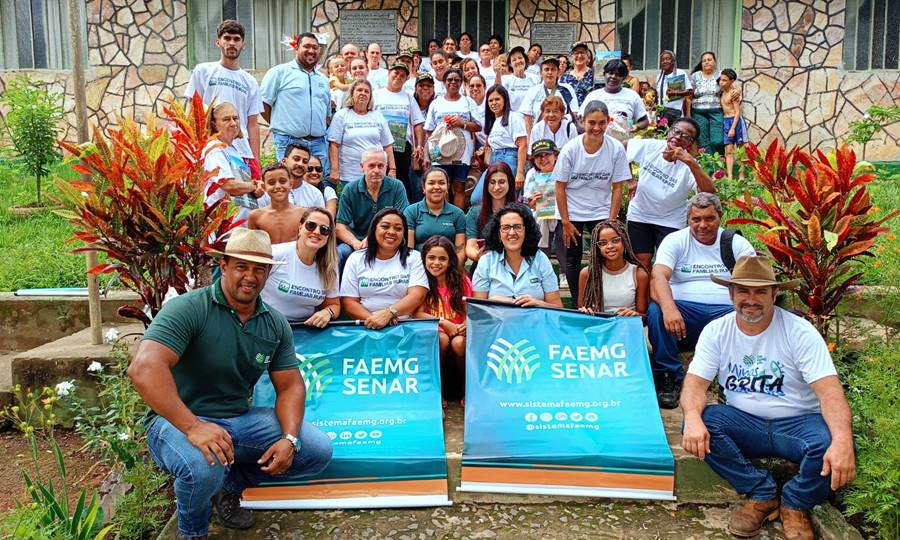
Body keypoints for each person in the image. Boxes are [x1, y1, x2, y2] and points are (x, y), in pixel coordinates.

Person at [128, 228, 333, 539]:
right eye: (241, 266)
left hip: (237, 420)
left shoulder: (274, 323)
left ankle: (229, 485)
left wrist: (289, 438)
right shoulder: (189, 308)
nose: (249, 277)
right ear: (223, 266)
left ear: (267, 273)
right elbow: (144, 369)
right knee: (202, 466)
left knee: (315, 450)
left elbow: (291, 386)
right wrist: (193, 427)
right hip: (176, 421)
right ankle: (193, 531)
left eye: (259, 269)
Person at [681, 255, 855, 540]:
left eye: (760, 290)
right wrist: (690, 418)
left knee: (828, 442)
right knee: (702, 422)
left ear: (775, 293)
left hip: (797, 425)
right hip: (745, 423)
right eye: (743, 290)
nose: (751, 299)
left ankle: (795, 503)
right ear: (731, 293)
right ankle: (761, 493)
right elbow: (694, 385)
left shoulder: (799, 332)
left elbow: (830, 393)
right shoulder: (716, 331)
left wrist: (844, 441)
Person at [648, 192, 756, 409]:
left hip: (725, 314)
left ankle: (736, 381)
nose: (702, 225)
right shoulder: (675, 240)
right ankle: (669, 377)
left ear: (720, 217)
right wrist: (669, 308)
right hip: (685, 316)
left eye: (709, 218)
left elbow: (754, 281)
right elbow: (658, 276)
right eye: (696, 219)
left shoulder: (735, 243)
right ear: (688, 219)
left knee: (751, 312)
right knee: (655, 310)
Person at [552, 101, 631, 302]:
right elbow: (559, 187)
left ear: (608, 122)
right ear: (583, 121)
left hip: (601, 210)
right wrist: (566, 221)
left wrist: (611, 222)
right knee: (572, 258)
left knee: (604, 255)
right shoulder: (571, 149)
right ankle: (581, 302)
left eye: (601, 123)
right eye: (592, 123)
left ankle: (601, 298)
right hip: (571, 210)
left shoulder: (615, 149)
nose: (596, 128)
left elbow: (617, 187)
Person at [625, 117, 716, 268]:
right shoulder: (652, 146)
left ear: (690, 143)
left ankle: (659, 292)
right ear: (669, 131)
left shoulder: (689, 164)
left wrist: (691, 162)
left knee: (666, 263)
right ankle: (644, 292)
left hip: (671, 219)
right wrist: (629, 180)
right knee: (641, 260)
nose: (678, 137)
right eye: (676, 131)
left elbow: (709, 192)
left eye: (686, 136)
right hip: (640, 213)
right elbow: (623, 147)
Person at [186, 20, 262, 177]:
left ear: (243, 44)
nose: (232, 43)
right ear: (218, 42)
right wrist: (192, 147)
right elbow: (192, 111)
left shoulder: (250, 81)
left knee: (242, 199)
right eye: (227, 38)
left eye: (236, 39)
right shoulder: (203, 71)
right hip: (210, 148)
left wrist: (256, 160)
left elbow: (253, 125)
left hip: (241, 152)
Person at [340, 208, 429, 329]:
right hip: (365, 325)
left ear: (404, 234)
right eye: (385, 226)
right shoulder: (356, 259)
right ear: (374, 230)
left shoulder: (413, 257)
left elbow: (417, 296)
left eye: (398, 228)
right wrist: (374, 320)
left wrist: (388, 314)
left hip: (404, 325)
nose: (391, 232)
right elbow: (349, 302)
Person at [473, 203, 563, 308]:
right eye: (506, 227)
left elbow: (558, 307)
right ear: (498, 234)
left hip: (534, 322)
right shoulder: (486, 261)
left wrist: (537, 303)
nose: (512, 232)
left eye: (517, 227)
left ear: (526, 231)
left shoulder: (541, 259)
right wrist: (500, 301)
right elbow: (478, 308)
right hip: (498, 322)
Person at [261, 33, 330, 168]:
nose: (311, 51)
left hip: (318, 144)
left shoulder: (323, 79)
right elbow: (263, 104)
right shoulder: (279, 72)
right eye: (307, 46)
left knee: (316, 185)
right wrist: (282, 127)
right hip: (288, 142)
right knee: (289, 183)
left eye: (315, 48)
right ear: (297, 48)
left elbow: (326, 114)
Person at [417, 235, 472, 403]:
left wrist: (466, 324)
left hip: (459, 332)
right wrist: (441, 321)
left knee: (458, 343)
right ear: (424, 258)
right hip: (434, 331)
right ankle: (436, 392)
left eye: (442, 258)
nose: (436, 263)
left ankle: (467, 390)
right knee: (441, 339)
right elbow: (417, 313)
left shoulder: (461, 281)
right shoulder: (421, 281)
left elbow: (471, 310)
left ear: (450, 261)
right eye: (431, 258)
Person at [335, 148, 409, 267]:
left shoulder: (397, 187)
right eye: (371, 166)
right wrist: (356, 244)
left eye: (380, 166)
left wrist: (373, 238)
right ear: (362, 167)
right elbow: (339, 227)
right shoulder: (350, 189)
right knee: (340, 253)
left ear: (386, 167)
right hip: (357, 240)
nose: (376, 170)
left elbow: (402, 221)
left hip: (388, 239)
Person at [423, 67, 482, 208]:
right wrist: (426, 155)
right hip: (438, 151)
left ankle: (458, 220)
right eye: (450, 80)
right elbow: (429, 132)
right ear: (444, 82)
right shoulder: (436, 103)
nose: (453, 82)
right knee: (442, 186)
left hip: (462, 153)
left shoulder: (468, 102)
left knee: (459, 186)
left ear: (461, 82)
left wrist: (462, 123)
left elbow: (478, 126)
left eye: (457, 80)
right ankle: (444, 219)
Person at [203, 102, 262, 226]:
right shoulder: (214, 150)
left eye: (235, 118)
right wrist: (255, 185)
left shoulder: (233, 150)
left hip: (239, 224)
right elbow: (229, 185)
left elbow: (243, 185)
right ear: (214, 124)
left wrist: (256, 190)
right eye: (226, 119)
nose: (233, 123)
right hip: (222, 225)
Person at [374, 61, 426, 202]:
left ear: (407, 79)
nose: (398, 77)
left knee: (401, 179)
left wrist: (419, 146)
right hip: (379, 145)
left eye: (402, 75)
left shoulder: (409, 98)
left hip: (402, 146)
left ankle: (402, 209)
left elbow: (417, 123)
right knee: (379, 176)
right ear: (389, 73)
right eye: (396, 73)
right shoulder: (376, 95)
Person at [327, 79, 395, 186]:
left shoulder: (378, 116)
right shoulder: (341, 115)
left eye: (366, 91)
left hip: (375, 174)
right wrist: (335, 170)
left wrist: (392, 169)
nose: (363, 93)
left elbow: (387, 145)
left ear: (370, 96)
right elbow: (334, 145)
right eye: (359, 90)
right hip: (349, 175)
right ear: (352, 94)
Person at [578, 219, 649, 317]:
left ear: (624, 242)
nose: (610, 246)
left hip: (625, 325)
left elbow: (643, 314)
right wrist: (584, 311)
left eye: (615, 240)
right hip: (597, 327)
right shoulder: (587, 274)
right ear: (597, 248)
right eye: (603, 243)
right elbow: (581, 309)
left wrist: (635, 314)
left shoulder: (639, 274)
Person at [404, 167, 466, 262]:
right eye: (431, 183)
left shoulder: (458, 214)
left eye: (441, 183)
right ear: (424, 188)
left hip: (449, 268)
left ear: (447, 187)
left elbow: (460, 251)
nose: (436, 187)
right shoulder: (411, 211)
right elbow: (409, 250)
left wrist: (453, 272)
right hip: (419, 267)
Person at [579, 59, 649, 142]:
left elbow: (644, 120)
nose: (613, 77)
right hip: (597, 145)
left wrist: (636, 126)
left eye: (618, 75)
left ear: (624, 78)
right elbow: (580, 120)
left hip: (623, 145)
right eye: (610, 73)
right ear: (604, 74)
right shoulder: (593, 96)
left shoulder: (632, 96)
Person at [465, 162, 517, 263]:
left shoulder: (521, 211)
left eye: (501, 182)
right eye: (492, 182)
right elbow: (470, 246)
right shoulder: (475, 212)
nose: (496, 187)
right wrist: (477, 255)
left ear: (509, 183)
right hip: (485, 265)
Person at [519, 57, 579, 142]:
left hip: (562, 137)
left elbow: (574, 113)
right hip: (539, 136)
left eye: (553, 69)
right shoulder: (533, 91)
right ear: (541, 73)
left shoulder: (566, 90)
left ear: (558, 72)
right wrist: (529, 140)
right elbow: (527, 117)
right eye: (546, 69)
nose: (549, 72)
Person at [248, 163, 306, 244]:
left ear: (291, 183)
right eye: (271, 183)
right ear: (264, 187)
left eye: (282, 181)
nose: (278, 186)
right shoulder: (255, 216)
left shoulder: (303, 214)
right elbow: (252, 247)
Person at [522, 139, 561, 257]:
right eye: (539, 156)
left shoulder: (563, 171)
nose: (543, 159)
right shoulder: (532, 174)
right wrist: (533, 201)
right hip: (541, 216)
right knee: (541, 246)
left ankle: (564, 273)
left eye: (547, 155)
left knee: (563, 241)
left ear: (555, 156)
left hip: (562, 216)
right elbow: (528, 202)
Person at [257, 143, 326, 209]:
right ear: (284, 161)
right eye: (296, 159)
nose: (300, 164)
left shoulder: (315, 194)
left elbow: (320, 220)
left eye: (305, 161)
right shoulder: (268, 190)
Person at [688, 51, 724, 156]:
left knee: (717, 140)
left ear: (714, 61)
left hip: (716, 111)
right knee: (703, 140)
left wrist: (737, 91)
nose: (706, 62)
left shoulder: (720, 75)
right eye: (704, 61)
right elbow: (689, 96)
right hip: (698, 112)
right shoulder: (695, 76)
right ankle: (709, 167)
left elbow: (730, 87)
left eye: (709, 60)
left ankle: (718, 160)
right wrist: (689, 114)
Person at [719, 69, 748, 181]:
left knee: (740, 150)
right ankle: (730, 176)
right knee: (728, 150)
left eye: (724, 80)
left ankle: (741, 175)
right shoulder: (723, 92)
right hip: (726, 121)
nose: (721, 82)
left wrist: (732, 128)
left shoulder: (733, 94)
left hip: (736, 121)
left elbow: (737, 112)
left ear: (731, 81)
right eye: (721, 80)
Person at [655, 50, 693, 127]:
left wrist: (675, 92)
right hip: (661, 113)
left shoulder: (680, 73)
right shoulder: (659, 77)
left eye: (667, 59)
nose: (665, 61)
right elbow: (657, 95)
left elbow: (690, 91)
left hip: (675, 113)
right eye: (662, 60)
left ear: (673, 61)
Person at [501, 46, 541, 111]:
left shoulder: (534, 79)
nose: (518, 61)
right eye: (514, 60)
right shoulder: (505, 80)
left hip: (531, 119)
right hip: (513, 118)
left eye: (520, 58)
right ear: (510, 64)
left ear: (525, 59)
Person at [559, 42, 594, 106]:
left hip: (590, 113)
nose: (579, 56)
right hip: (570, 114)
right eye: (576, 53)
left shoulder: (594, 74)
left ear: (587, 55)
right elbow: (561, 98)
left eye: (582, 52)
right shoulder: (565, 77)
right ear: (572, 56)